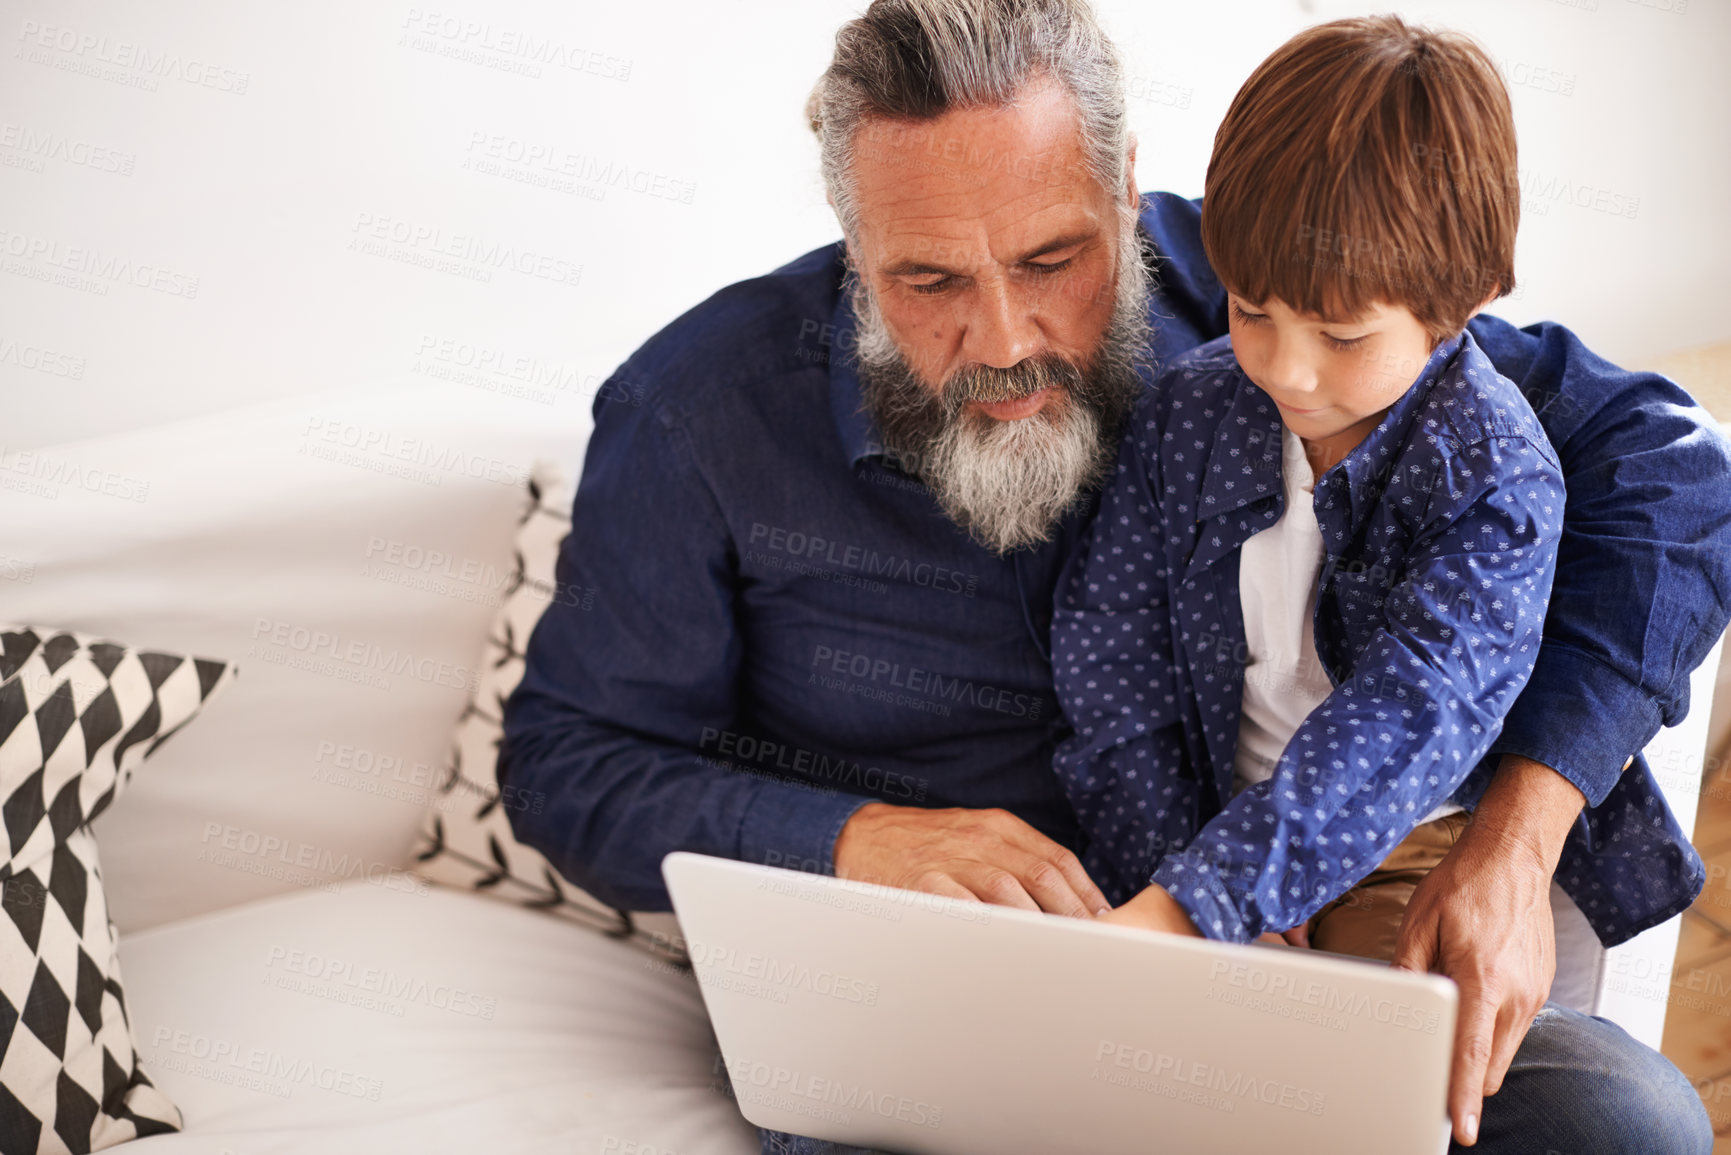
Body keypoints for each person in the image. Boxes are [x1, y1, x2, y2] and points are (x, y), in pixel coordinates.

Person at [498, 1, 1731, 1151]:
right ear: (852, 245)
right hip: (937, 993)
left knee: (1625, 1122)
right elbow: (568, 761)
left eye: (1051, 260)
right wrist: (858, 839)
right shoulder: (696, 413)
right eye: (926, 281)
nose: (1004, 340)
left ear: (1127, 193)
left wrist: (1519, 836)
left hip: (1296, 928)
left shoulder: (1268, 295)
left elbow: (1677, 479)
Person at [1055, 14, 1564, 965]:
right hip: (1198, 833)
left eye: (1340, 336)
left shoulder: (1495, 479)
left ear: (1460, 305)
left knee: (1358, 1048)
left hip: (1403, 852)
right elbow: (1111, 664)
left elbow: (1407, 719)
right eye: (1251, 310)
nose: (1285, 370)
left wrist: (1212, 898)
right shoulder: (1187, 412)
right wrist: (1176, 875)